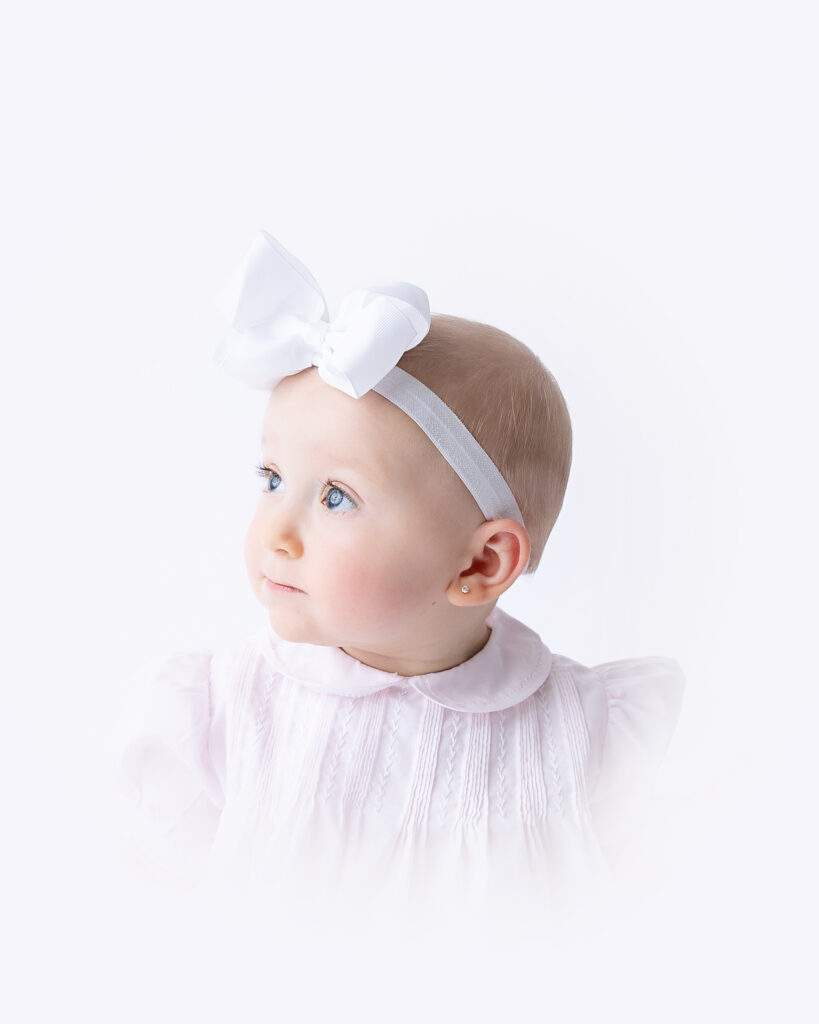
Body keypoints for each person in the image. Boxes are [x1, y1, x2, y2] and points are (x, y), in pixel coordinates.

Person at [102, 231, 685, 920]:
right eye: (273, 477)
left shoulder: (587, 741)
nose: (276, 532)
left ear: (479, 563)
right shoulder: (221, 716)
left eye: (336, 497)